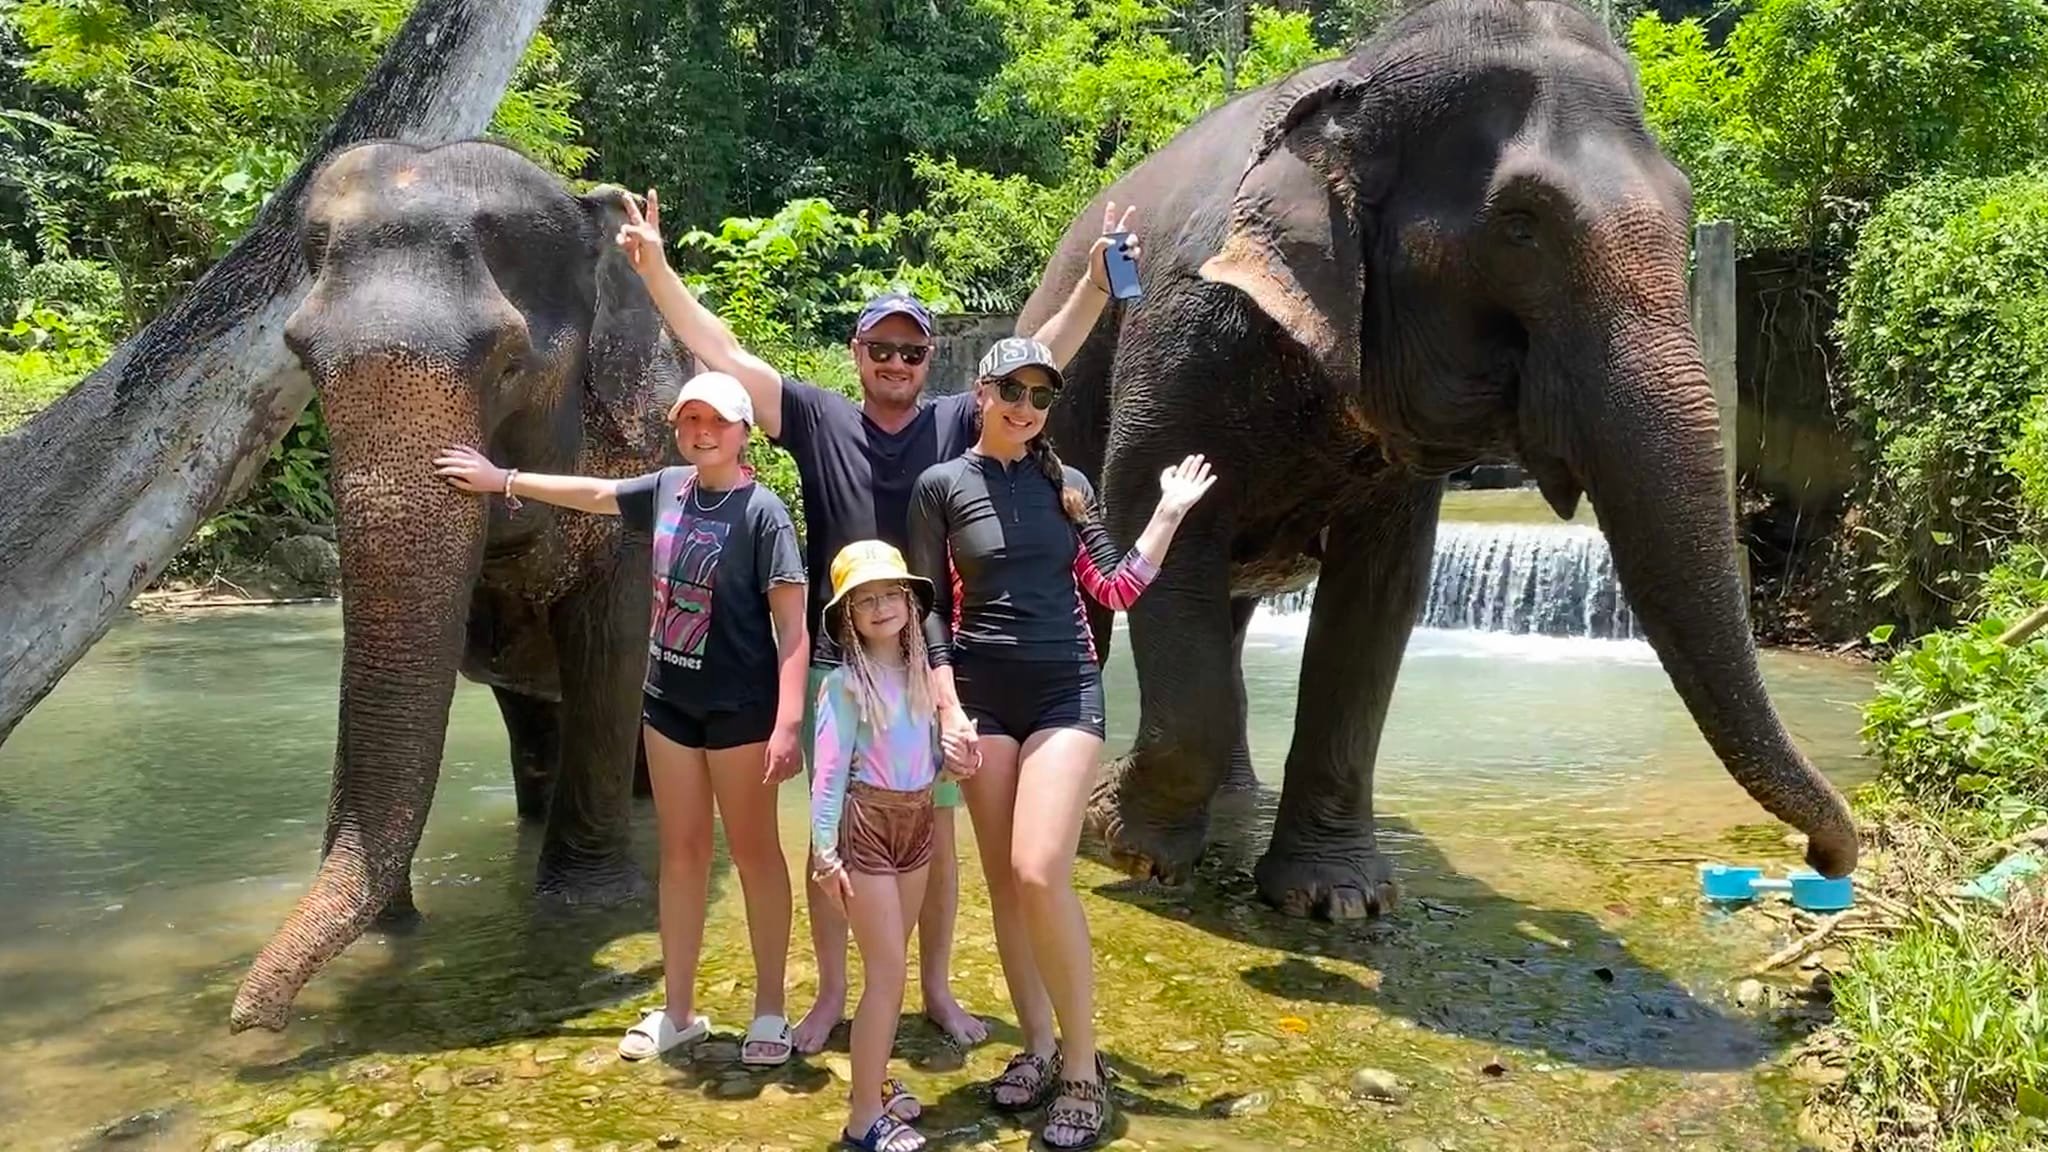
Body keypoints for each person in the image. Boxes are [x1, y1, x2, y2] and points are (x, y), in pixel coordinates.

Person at [611, 186, 1144, 1051]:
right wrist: (658, 269)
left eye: (911, 350)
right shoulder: (817, 418)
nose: (896, 363)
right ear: (856, 354)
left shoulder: (951, 421)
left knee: (931, 831)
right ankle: (830, 995)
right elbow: (722, 349)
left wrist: (1091, 283)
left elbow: (1038, 357)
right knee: (835, 828)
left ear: (930, 362)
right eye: (882, 349)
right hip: (836, 661)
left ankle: (933, 987)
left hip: (931, 666)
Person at [432, 371, 810, 1068]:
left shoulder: (764, 515)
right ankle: (680, 1010)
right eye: (691, 420)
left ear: (742, 432)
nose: (702, 432)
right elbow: (598, 495)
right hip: (667, 705)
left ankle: (769, 1011)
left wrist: (789, 723)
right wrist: (502, 479)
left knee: (757, 857)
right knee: (682, 854)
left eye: (717, 422)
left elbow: (793, 631)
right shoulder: (668, 489)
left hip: (741, 710)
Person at [906, 337, 1216, 1150]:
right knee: (1008, 886)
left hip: (1064, 689)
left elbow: (1116, 587)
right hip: (978, 696)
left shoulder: (1067, 486)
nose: (1027, 407)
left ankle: (1084, 1067)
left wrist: (1169, 512)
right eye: (1013, 389)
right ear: (982, 391)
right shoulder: (942, 486)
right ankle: (1037, 1047)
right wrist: (946, 706)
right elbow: (926, 604)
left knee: (1042, 868)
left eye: (1042, 395)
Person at [808, 540, 971, 1152]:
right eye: (864, 599)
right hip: (868, 830)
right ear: (847, 616)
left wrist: (958, 760)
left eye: (889, 595)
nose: (879, 607)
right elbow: (826, 778)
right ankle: (861, 1122)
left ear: (910, 602)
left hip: (919, 824)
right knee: (886, 976)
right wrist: (826, 856)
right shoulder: (845, 687)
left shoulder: (925, 678)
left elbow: (932, 763)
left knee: (890, 971)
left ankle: (875, 1079)